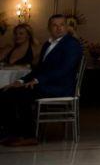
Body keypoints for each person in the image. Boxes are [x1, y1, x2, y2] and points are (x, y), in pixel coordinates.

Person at [0, 14, 83, 146]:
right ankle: (10, 133)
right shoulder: (47, 44)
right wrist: (20, 81)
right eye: (55, 25)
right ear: (49, 28)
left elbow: (64, 69)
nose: (59, 28)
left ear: (66, 27)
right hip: (45, 84)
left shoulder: (72, 44)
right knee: (5, 91)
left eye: (62, 25)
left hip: (59, 87)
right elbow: (38, 69)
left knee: (21, 94)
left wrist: (38, 80)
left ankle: (28, 136)